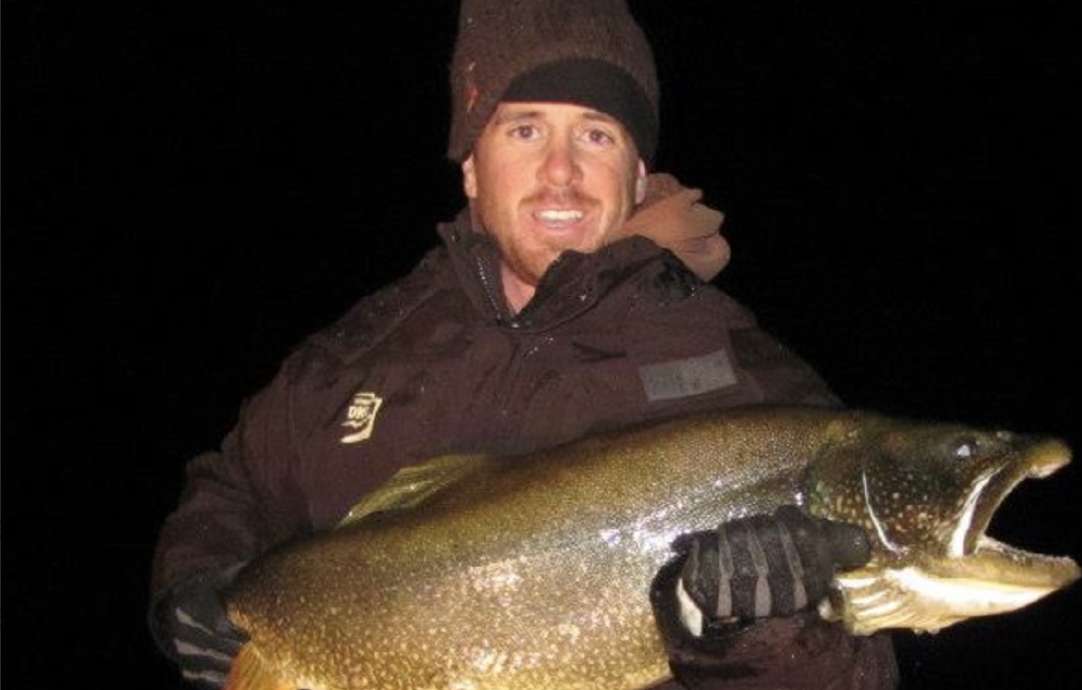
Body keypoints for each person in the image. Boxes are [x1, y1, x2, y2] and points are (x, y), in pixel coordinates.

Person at [149, 1, 898, 688]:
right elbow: (233, 486)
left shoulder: (758, 384)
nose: (561, 173)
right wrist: (192, 583)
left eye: (596, 135)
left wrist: (765, 638)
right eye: (526, 129)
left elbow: (867, 673)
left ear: (638, 175)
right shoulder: (354, 354)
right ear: (472, 164)